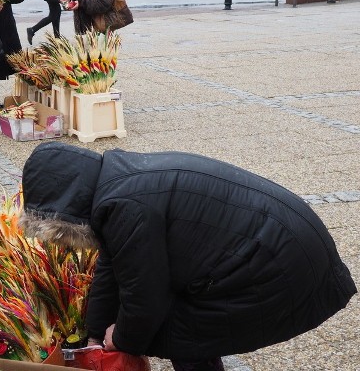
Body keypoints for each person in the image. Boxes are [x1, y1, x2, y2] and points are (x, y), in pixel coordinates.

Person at [20, 143, 357, 371]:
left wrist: (121, 339)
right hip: (285, 240)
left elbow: (145, 297)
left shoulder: (126, 206)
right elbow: (113, 268)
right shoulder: (115, 184)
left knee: (171, 329)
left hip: (281, 263)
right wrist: (95, 335)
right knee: (181, 326)